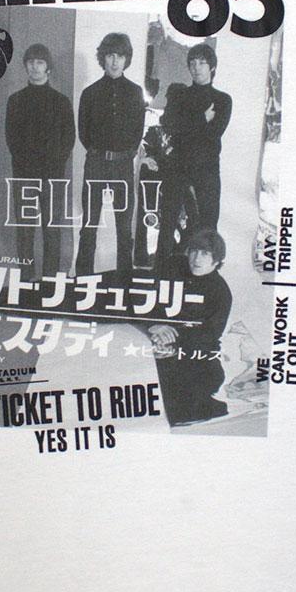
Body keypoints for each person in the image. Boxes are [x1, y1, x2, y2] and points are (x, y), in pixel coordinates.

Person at [155, 42, 233, 270]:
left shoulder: (223, 100)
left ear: (212, 67)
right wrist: (201, 118)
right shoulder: (179, 94)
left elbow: (213, 133)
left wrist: (186, 125)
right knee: (167, 225)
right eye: (193, 63)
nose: (196, 67)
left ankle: (205, 276)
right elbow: (169, 125)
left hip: (207, 171)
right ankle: (160, 274)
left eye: (202, 63)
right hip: (177, 169)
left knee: (207, 227)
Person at [75, 32, 146, 275]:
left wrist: (124, 155)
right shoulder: (90, 93)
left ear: (127, 59)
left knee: (124, 228)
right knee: (89, 225)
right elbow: (83, 132)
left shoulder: (135, 92)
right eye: (110, 55)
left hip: (123, 165)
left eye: (120, 56)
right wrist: (99, 154)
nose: (115, 61)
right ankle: (83, 280)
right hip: (96, 163)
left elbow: (138, 131)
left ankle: (124, 282)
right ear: (103, 58)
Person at [4, 43, 75, 276]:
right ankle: (26, 280)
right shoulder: (15, 101)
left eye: (40, 62)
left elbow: (69, 139)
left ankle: (50, 281)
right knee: (25, 231)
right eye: (31, 62)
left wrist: (52, 166)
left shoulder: (61, 102)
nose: (35, 67)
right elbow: (12, 140)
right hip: (24, 175)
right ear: (26, 66)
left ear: (48, 68)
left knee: (52, 231)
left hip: (52, 177)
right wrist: (28, 166)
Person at [149, 229, 233, 427]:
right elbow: (145, 293)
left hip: (192, 351)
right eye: (194, 251)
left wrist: (173, 343)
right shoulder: (174, 266)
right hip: (158, 339)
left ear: (217, 260)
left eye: (205, 254)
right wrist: (153, 324)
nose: (196, 259)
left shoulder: (221, 292)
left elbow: (210, 335)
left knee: (201, 384)